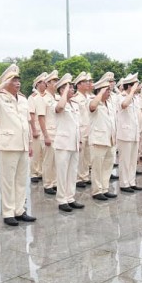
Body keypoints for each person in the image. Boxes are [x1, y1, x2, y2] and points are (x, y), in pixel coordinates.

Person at [0, 64, 36, 225]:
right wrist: (2, 84)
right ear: (6, 82)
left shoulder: (22, 99)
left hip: (22, 143)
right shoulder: (0, 97)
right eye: (13, 80)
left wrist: (29, 142)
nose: (18, 83)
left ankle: (19, 210)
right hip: (8, 144)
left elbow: (26, 122)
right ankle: (8, 213)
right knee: (7, 180)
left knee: (21, 179)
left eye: (18, 80)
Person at [52, 74, 85, 212]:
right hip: (63, 144)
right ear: (62, 90)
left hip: (74, 143)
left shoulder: (75, 104)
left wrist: (81, 140)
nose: (72, 89)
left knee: (72, 172)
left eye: (72, 87)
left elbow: (78, 124)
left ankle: (70, 197)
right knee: (62, 173)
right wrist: (64, 92)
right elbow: (59, 108)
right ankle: (61, 200)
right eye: (69, 87)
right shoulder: (57, 102)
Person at [88, 76, 117, 200]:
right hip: (98, 140)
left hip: (110, 139)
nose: (109, 92)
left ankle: (105, 188)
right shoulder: (92, 100)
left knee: (107, 166)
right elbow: (92, 106)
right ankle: (97, 190)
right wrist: (100, 92)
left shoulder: (109, 103)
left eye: (109, 90)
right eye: (107, 90)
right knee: (97, 167)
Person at [116, 74, 142, 193]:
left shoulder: (136, 98)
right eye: (136, 85)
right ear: (130, 86)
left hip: (134, 133)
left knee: (133, 160)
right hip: (125, 133)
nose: (138, 87)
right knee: (125, 160)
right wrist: (131, 92)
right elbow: (124, 105)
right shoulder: (121, 96)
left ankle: (131, 181)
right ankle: (124, 183)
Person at [28, 72, 48, 183]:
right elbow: (31, 114)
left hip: (46, 127)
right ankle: (34, 172)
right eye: (43, 82)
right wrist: (34, 129)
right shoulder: (33, 97)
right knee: (36, 152)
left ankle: (42, 171)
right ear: (38, 84)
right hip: (36, 127)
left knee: (45, 152)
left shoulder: (48, 96)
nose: (46, 84)